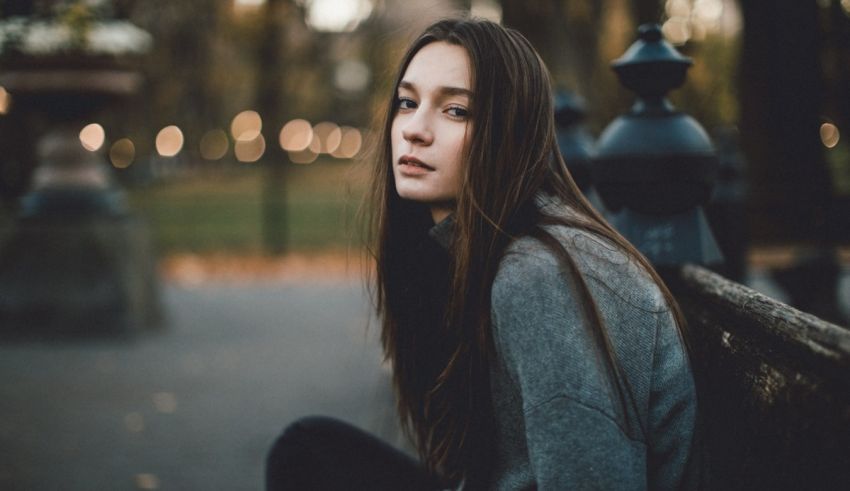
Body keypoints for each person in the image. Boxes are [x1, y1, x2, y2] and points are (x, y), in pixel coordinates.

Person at [266, 17, 699, 490]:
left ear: (509, 133)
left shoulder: (538, 276)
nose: (415, 129)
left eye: (456, 111)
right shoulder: (475, 253)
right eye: (407, 103)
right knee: (311, 450)